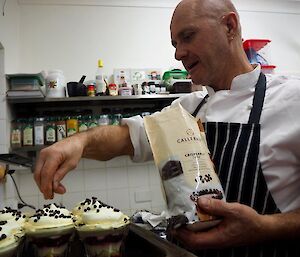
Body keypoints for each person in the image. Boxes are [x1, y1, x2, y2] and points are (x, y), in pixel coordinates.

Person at [34, 0, 300, 255]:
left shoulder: (292, 100)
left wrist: (265, 228)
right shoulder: (189, 109)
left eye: (188, 36)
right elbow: (127, 137)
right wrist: (78, 142)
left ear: (229, 26)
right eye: (175, 43)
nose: (178, 53)